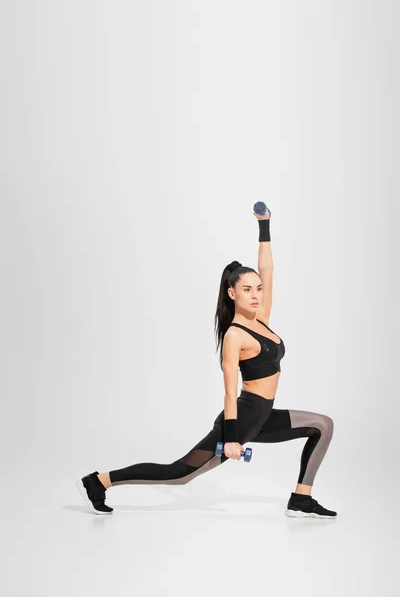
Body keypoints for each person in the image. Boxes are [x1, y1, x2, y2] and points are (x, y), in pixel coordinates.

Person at [76, 206, 337, 519]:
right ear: (231, 293)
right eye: (246, 290)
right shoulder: (234, 336)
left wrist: (264, 227)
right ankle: (100, 480)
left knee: (323, 425)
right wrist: (231, 438)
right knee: (181, 473)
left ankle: (301, 498)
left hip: (263, 418)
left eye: (258, 289)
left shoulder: (262, 319)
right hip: (240, 419)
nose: (256, 295)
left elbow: (267, 269)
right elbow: (229, 392)